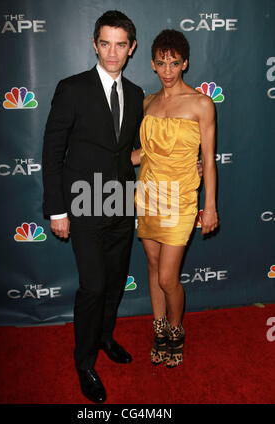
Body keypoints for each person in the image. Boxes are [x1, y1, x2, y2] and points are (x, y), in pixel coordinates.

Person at [42, 11, 144, 403]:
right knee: (94, 286)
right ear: (94, 44)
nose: (112, 52)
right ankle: (84, 362)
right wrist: (57, 210)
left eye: (121, 44)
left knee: (116, 284)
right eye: (105, 43)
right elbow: (52, 151)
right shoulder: (72, 88)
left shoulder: (135, 94)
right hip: (82, 206)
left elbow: (127, 152)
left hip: (120, 204)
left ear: (131, 48)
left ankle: (104, 339)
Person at [135, 29, 218, 368]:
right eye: (160, 63)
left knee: (169, 277)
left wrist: (209, 206)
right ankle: (158, 330)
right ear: (153, 65)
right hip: (148, 193)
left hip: (182, 197)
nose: (167, 70)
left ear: (185, 63)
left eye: (173, 63)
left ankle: (175, 329)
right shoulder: (148, 102)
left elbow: (209, 161)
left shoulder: (201, 103)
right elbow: (144, 154)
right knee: (153, 268)